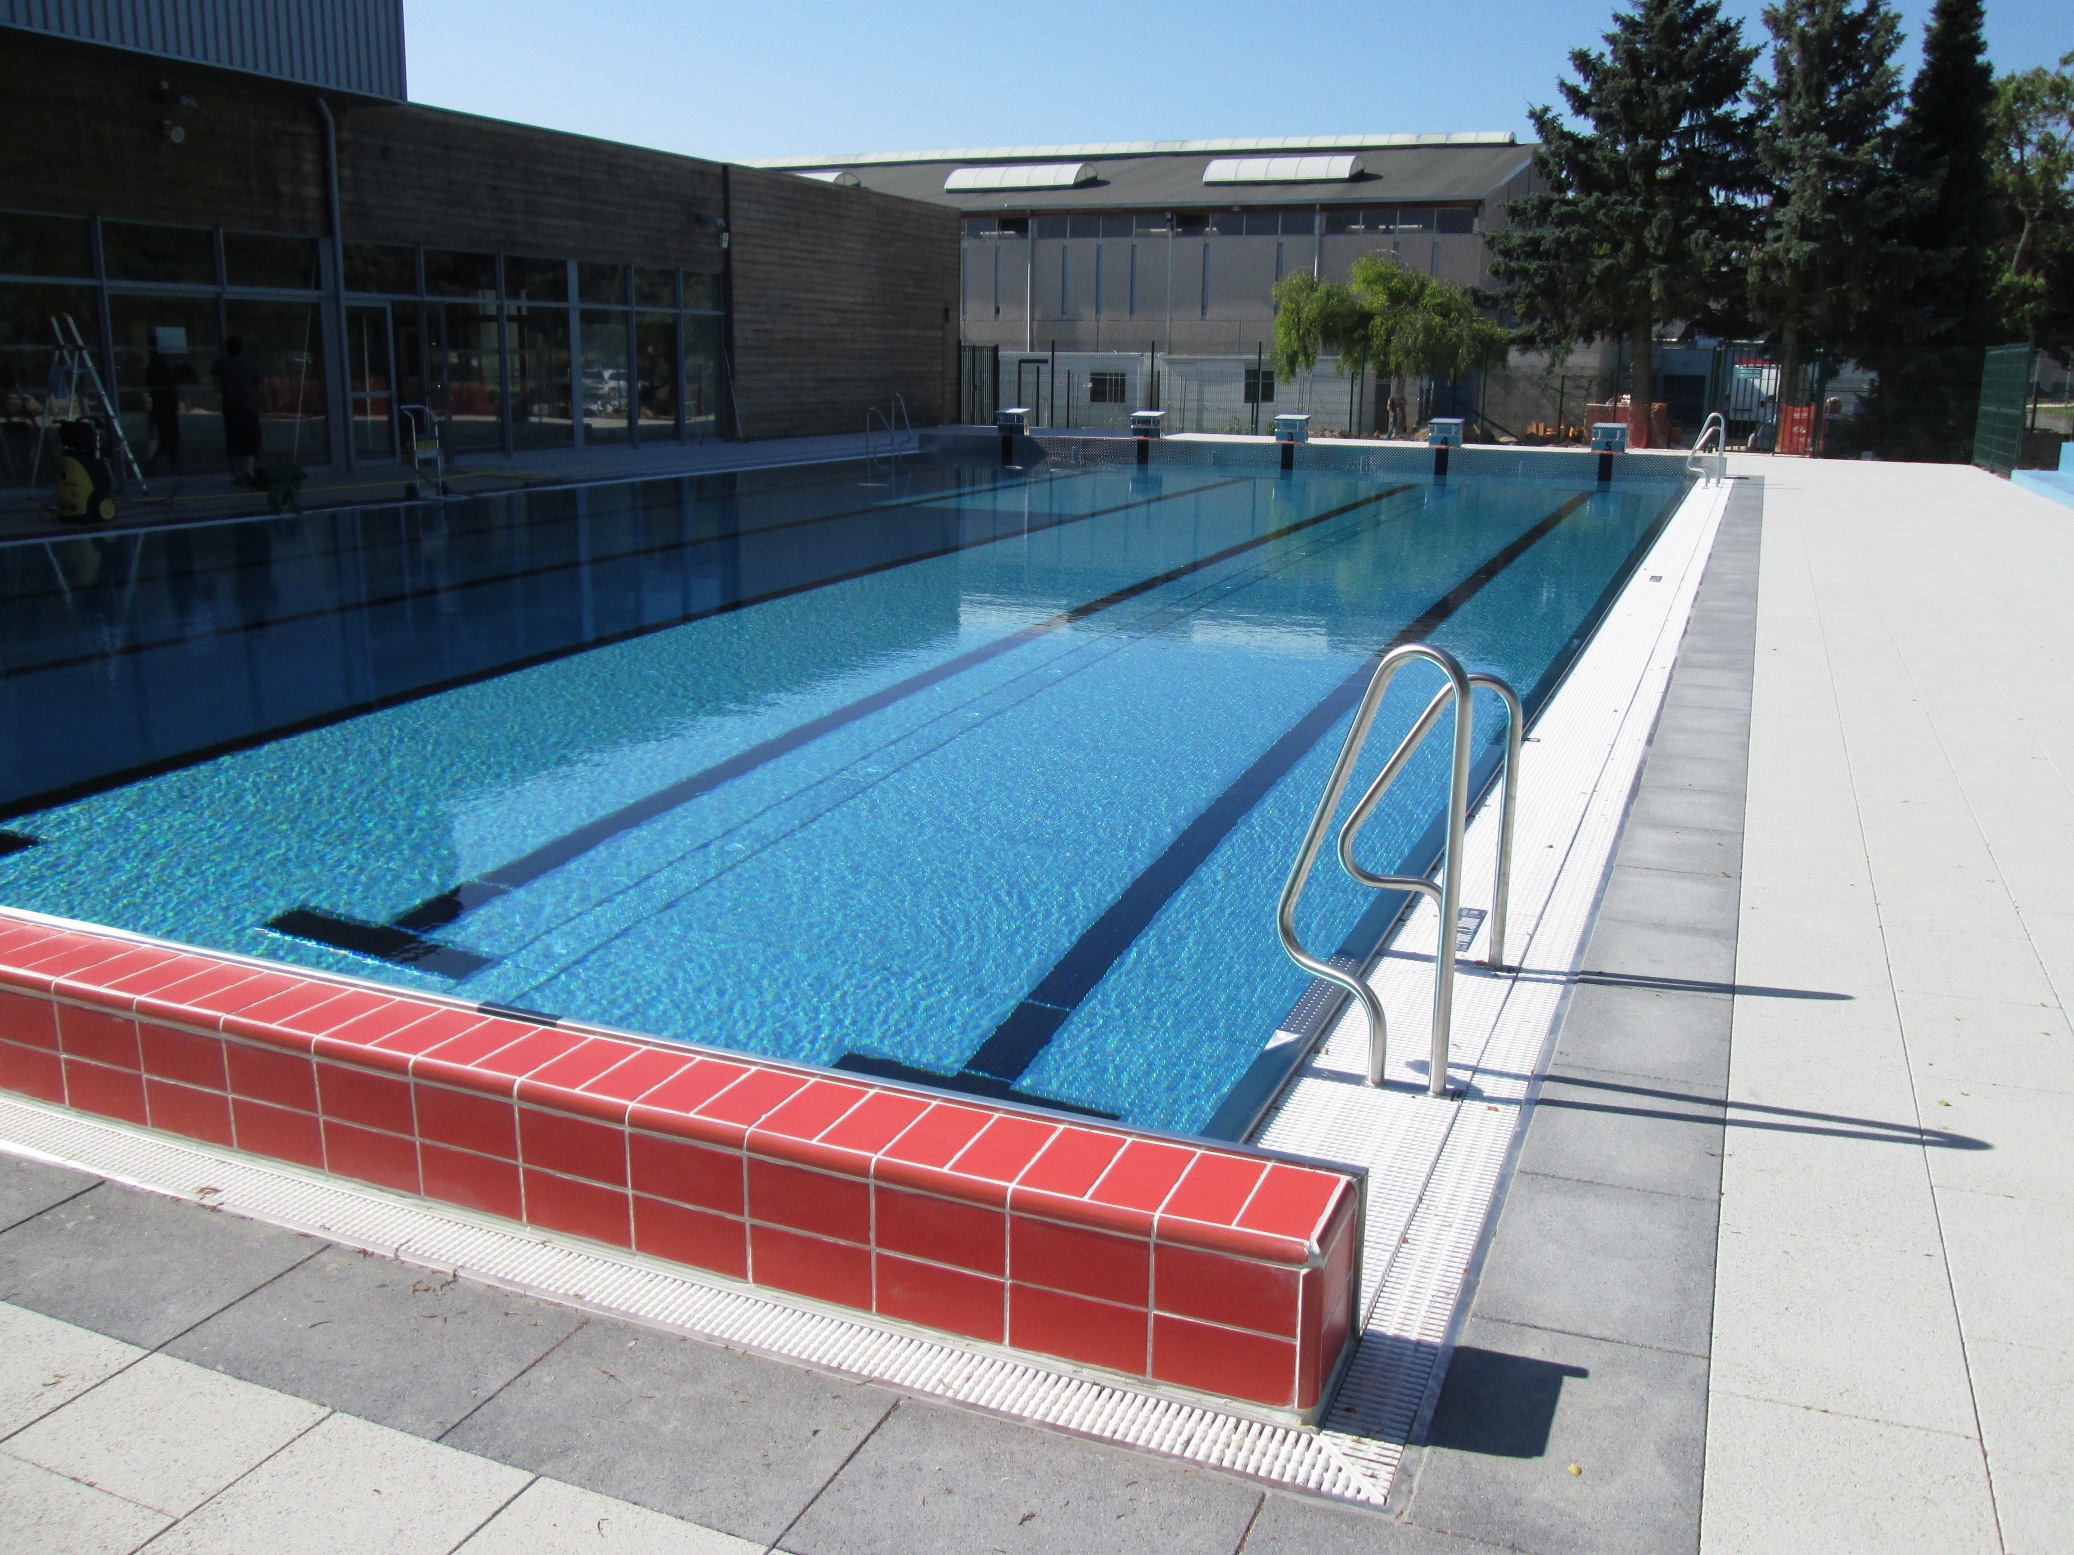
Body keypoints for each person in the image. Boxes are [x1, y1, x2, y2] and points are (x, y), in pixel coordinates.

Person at [210, 335, 263, 482]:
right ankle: (249, 470)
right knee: (252, 438)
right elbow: (257, 385)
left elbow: (216, 386)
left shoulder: (220, 363)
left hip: (231, 406)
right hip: (249, 407)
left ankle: (239, 472)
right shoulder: (250, 363)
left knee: (234, 439)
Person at [144, 344, 196, 475]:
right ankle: (157, 464)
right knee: (167, 437)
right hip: (163, 408)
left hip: (166, 408)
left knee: (169, 438)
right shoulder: (157, 368)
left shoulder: (160, 368)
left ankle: (168, 464)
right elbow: (167, 382)